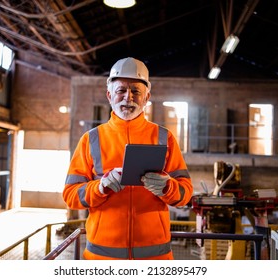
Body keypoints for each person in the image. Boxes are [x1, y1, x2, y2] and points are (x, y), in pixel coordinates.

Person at [63, 57, 193, 260]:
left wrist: (168, 187)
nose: (128, 98)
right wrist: (99, 187)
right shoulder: (91, 139)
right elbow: (70, 195)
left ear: (147, 97)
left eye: (136, 92)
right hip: (102, 258)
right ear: (109, 95)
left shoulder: (163, 137)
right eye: (121, 91)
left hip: (154, 258)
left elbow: (185, 193)